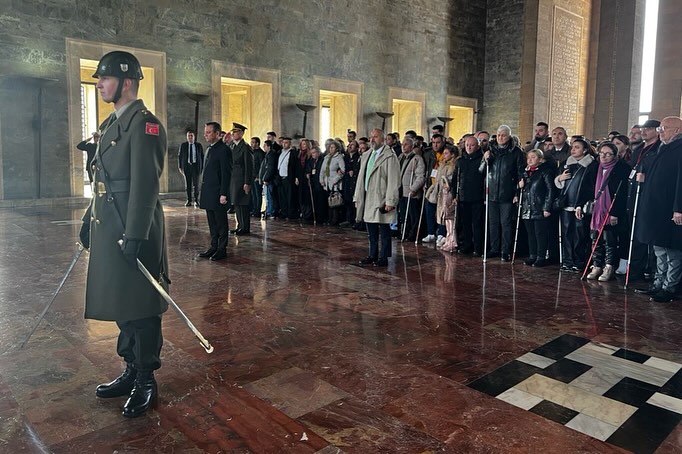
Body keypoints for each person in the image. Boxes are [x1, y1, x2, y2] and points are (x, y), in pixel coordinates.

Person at [78, 50, 168, 418]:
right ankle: (130, 369)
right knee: (121, 303)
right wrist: (89, 218)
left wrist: (135, 236)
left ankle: (147, 378)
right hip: (110, 224)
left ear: (126, 82)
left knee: (141, 306)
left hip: (136, 229)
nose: (99, 83)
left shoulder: (145, 125)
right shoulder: (115, 123)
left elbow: (145, 187)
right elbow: (104, 181)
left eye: (105, 78)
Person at [635, 116, 682, 302]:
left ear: (677, 130)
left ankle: (669, 287)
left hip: (670, 209)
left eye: (664, 128)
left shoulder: (679, 150)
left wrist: (679, 208)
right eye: (660, 128)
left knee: (672, 251)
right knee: (659, 249)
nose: (660, 131)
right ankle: (658, 283)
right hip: (656, 208)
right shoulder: (663, 148)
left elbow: (680, 182)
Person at [582, 142, 631, 281]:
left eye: (608, 154)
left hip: (611, 209)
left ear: (615, 155)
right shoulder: (594, 167)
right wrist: (580, 205)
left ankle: (609, 266)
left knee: (609, 240)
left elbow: (622, 193)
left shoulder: (621, 169)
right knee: (595, 239)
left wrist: (615, 212)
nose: (603, 156)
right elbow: (586, 188)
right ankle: (597, 264)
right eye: (601, 153)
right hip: (596, 210)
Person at [354, 128, 400, 267]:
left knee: (384, 230)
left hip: (381, 197)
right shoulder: (367, 155)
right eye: (371, 137)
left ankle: (384, 257)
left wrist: (390, 201)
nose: (372, 140)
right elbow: (360, 178)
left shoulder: (389, 156)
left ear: (383, 139)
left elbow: (394, 180)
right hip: (368, 196)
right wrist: (357, 196)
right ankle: (372, 254)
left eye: (375, 137)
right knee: (371, 230)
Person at [479, 125, 525, 261]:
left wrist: (517, 192)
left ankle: (506, 250)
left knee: (506, 223)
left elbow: (520, 172)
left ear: (509, 136)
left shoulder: (516, 152)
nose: (500, 137)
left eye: (503, 135)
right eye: (498, 135)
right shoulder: (490, 149)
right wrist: (485, 159)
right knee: (492, 223)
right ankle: (494, 248)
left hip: (507, 192)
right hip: (491, 191)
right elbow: (481, 171)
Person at [554, 138, 598, 272]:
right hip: (566, 204)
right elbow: (557, 182)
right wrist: (559, 179)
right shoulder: (565, 164)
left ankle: (579, 261)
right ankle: (567, 260)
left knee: (580, 234)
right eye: (572, 147)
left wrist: (583, 203)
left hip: (581, 205)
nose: (573, 150)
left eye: (577, 147)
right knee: (567, 233)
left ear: (584, 150)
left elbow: (591, 187)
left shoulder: (592, 165)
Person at [198, 121, 232, 261]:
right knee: (212, 222)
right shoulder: (209, 149)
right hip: (208, 192)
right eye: (205, 132)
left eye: (208, 132)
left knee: (221, 223)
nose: (205, 134)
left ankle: (221, 249)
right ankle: (213, 246)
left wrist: (224, 193)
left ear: (217, 133)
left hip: (218, 193)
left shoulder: (224, 150)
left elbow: (226, 173)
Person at [519, 149, 555, 266]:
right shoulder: (525, 172)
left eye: (533, 157)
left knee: (540, 233)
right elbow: (523, 190)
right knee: (531, 234)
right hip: (527, 207)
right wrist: (519, 187)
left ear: (540, 159)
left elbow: (550, 190)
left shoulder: (545, 172)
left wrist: (547, 207)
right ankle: (532, 255)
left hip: (539, 207)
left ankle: (541, 256)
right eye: (528, 157)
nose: (530, 160)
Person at [227, 123, 253, 235]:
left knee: (243, 204)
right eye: (233, 132)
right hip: (234, 179)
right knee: (236, 203)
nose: (233, 134)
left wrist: (247, 182)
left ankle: (245, 227)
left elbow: (249, 166)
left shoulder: (245, 147)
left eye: (236, 132)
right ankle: (240, 226)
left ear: (242, 133)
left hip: (242, 180)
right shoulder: (232, 146)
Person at [398, 137, 425, 242]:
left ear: (412, 146)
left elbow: (420, 176)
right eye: (402, 144)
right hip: (401, 191)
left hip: (411, 192)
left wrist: (414, 188)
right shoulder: (401, 157)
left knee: (413, 215)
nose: (403, 146)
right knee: (403, 214)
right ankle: (404, 232)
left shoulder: (417, 159)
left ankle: (412, 235)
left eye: (406, 144)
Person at [319, 140, 345, 226]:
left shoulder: (339, 157)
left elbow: (343, 170)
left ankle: (335, 219)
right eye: (330, 147)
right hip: (327, 182)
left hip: (335, 183)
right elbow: (322, 170)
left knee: (335, 202)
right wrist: (321, 180)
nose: (331, 149)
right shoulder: (326, 158)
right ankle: (329, 218)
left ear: (337, 148)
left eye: (333, 147)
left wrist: (336, 179)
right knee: (328, 201)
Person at [177, 130, 204, 207]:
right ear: (187, 137)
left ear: (194, 137)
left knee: (196, 185)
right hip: (187, 167)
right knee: (188, 185)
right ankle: (189, 200)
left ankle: (196, 200)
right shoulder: (183, 145)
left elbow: (202, 157)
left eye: (191, 135)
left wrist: (201, 167)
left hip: (196, 167)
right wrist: (180, 167)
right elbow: (179, 156)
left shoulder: (199, 145)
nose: (190, 137)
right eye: (189, 136)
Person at [343, 139, 362, 227]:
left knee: (354, 201)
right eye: (349, 145)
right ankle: (348, 219)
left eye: (353, 145)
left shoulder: (358, 157)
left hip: (354, 182)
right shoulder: (346, 157)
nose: (350, 146)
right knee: (347, 200)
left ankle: (355, 219)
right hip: (346, 181)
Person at [259, 140, 278, 219]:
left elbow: (270, 168)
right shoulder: (267, 155)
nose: (264, 147)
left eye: (265, 146)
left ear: (269, 147)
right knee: (267, 196)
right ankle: (269, 210)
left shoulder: (271, 155)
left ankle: (271, 211)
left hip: (270, 180)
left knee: (270, 196)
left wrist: (266, 178)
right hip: (267, 179)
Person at [250, 137, 265, 217]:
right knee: (253, 194)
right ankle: (254, 209)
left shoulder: (260, 153)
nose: (251, 144)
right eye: (251, 142)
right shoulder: (252, 152)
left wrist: (259, 176)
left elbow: (261, 166)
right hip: (251, 176)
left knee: (258, 194)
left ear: (257, 143)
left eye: (253, 142)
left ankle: (257, 210)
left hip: (257, 177)